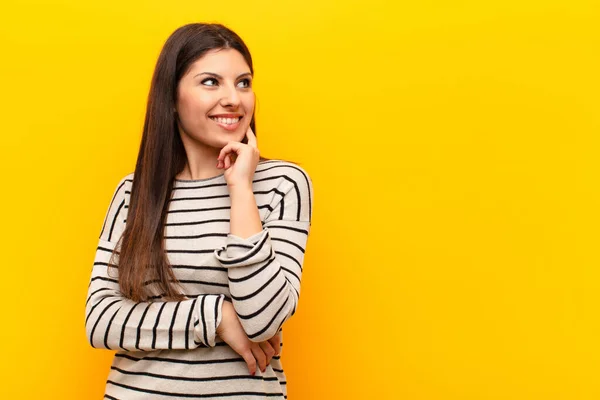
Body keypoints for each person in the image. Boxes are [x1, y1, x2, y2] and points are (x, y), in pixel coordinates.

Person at [84, 23, 313, 399]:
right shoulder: (134, 193)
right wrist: (216, 317)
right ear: (172, 98)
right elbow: (101, 322)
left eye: (243, 83)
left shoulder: (282, 184)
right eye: (211, 82)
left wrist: (240, 187)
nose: (233, 99)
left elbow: (262, 320)